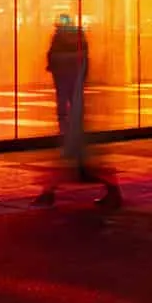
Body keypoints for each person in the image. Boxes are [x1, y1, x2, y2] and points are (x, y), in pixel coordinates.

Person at [35, 14, 120, 209]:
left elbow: (54, 62)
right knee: (79, 164)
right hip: (76, 129)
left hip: (75, 135)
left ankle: (48, 194)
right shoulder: (76, 41)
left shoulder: (61, 42)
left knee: (74, 161)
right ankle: (49, 193)